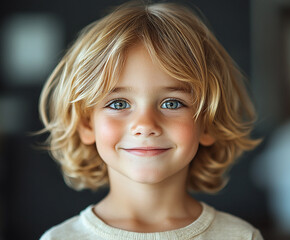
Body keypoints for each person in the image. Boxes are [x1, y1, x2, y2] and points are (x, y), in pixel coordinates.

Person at [38, 1, 263, 239]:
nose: (145, 125)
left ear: (208, 123)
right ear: (87, 124)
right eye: (119, 104)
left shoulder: (240, 236)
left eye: (172, 103)